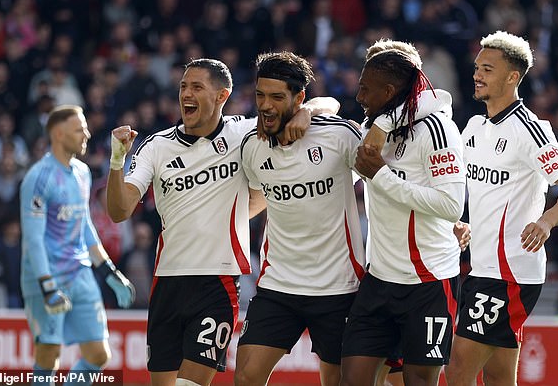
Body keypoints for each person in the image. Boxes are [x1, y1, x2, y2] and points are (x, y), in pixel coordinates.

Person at [106, 58, 338, 386]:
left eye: (197, 87)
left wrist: (307, 112)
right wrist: (118, 159)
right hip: (167, 283)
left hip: (217, 282)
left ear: (221, 96)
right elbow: (119, 211)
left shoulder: (243, 133)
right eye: (183, 86)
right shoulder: (157, 146)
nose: (186, 93)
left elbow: (329, 103)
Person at [445, 31, 558, 385]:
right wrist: (465, 223)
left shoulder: (530, 130)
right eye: (477, 67)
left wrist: (546, 221)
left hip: (510, 272)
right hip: (482, 266)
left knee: (459, 367)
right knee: (498, 377)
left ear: (513, 77)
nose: (477, 75)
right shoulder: (474, 127)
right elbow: (480, 192)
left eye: (488, 69)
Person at [234, 51, 365, 386]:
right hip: (279, 284)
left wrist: (311, 111)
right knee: (246, 376)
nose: (265, 105)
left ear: (299, 97)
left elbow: (383, 183)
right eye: (260, 95)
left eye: (277, 97)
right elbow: (262, 195)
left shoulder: (339, 136)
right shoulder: (252, 145)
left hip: (339, 286)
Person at [339, 41, 466, 386]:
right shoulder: (375, 128)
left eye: (366, 88)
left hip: (427, 284)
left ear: (389, 90)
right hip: (378, 281)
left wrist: (381, 175)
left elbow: (451, 204)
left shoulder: (437, 130)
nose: (359, 95)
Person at [20, 105, 135, 386]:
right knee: (49, 354)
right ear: (58, 134)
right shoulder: (38, 178)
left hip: (80, 272)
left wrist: (109, 271)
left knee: (98, 354)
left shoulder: (82, 172)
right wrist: (47, 286)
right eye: (78, 129)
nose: (86, 133)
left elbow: (85, 227)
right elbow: (33, 238)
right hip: (46, 276)